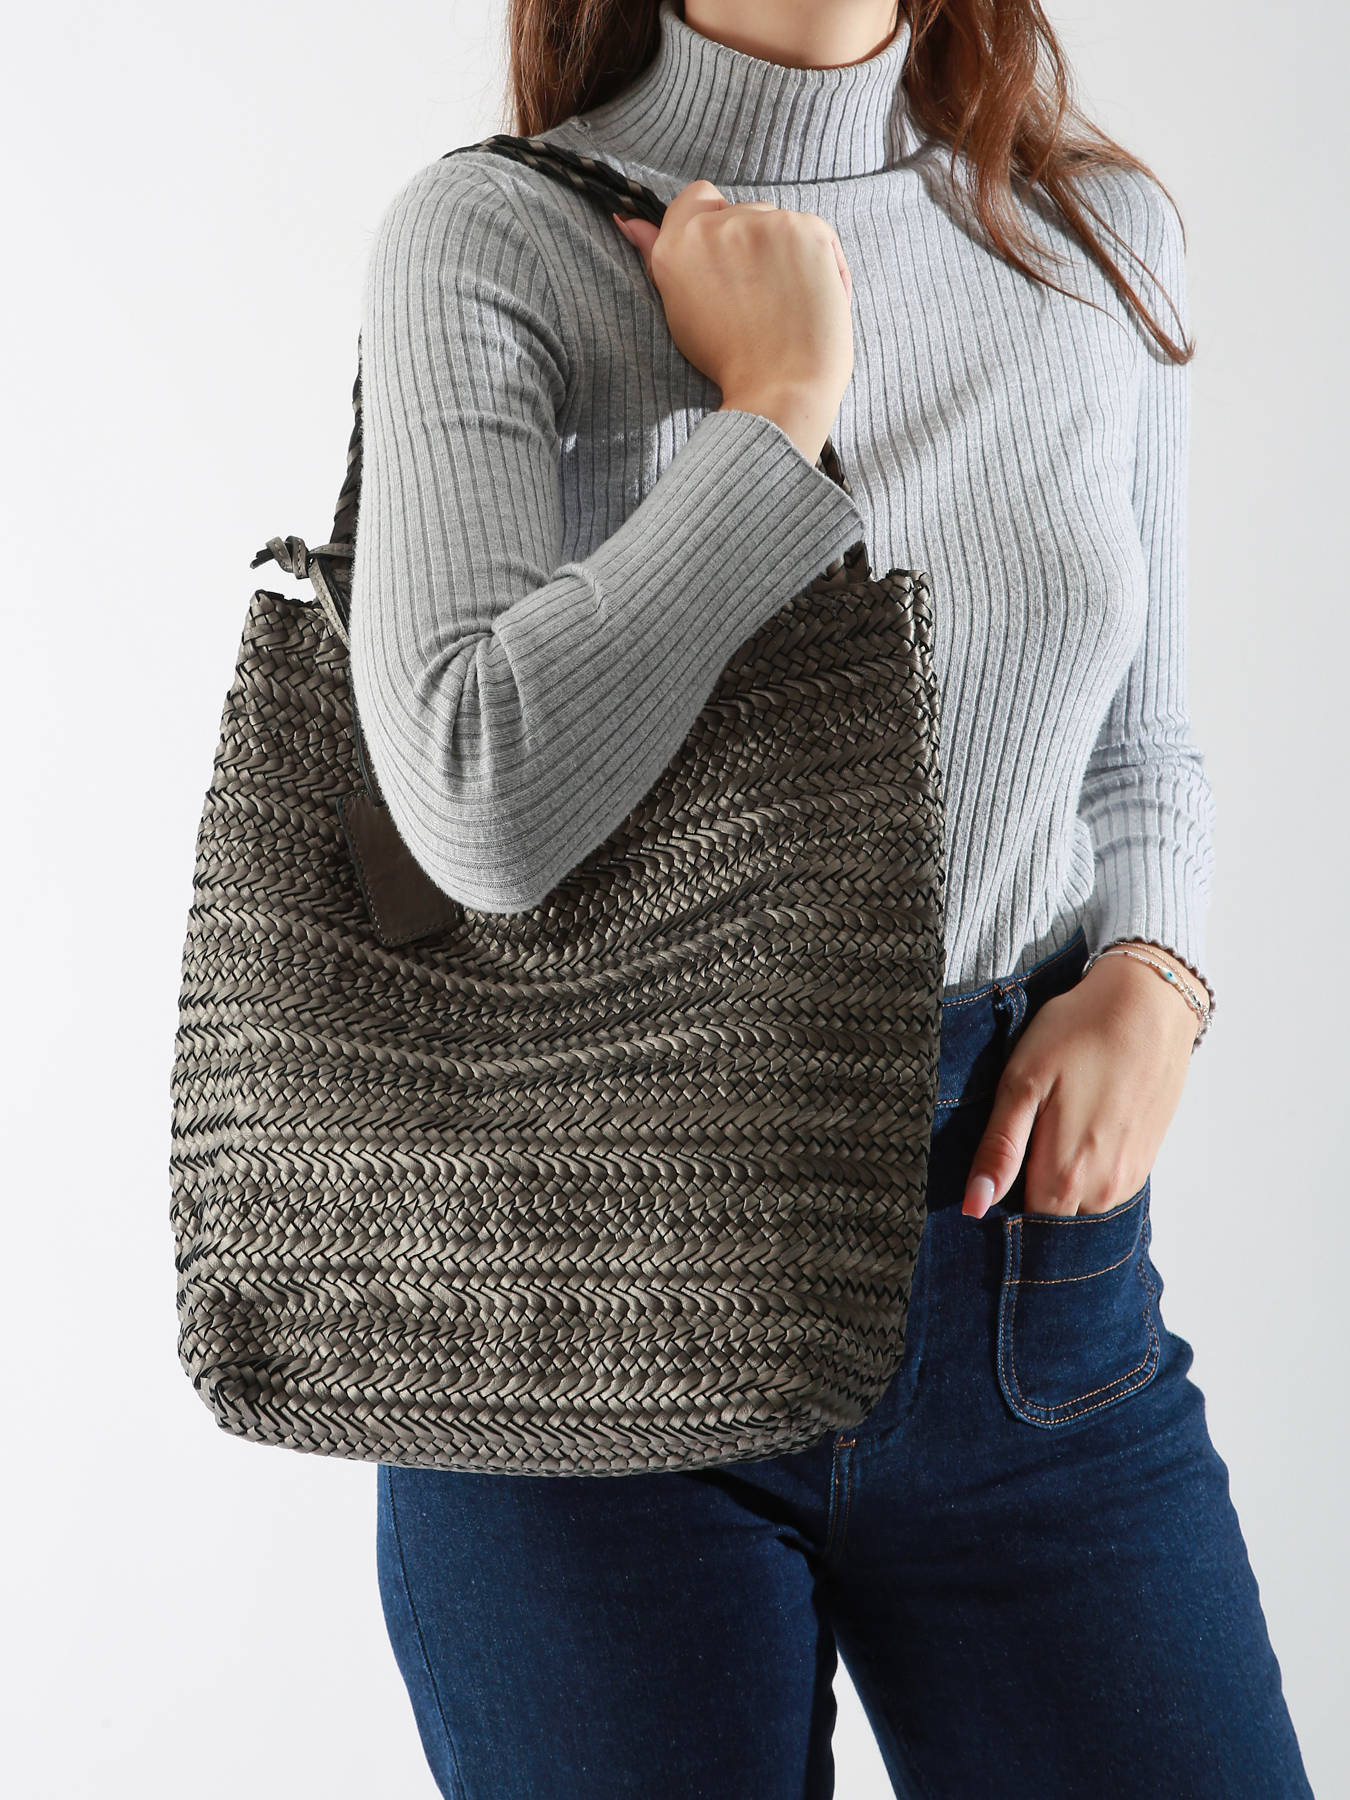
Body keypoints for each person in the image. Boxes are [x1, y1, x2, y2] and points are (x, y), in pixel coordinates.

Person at [352, 2, 1315, 1793]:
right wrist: (775, 414)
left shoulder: (1085, 235)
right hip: (582, 1321)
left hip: (1025, 1284)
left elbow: (1141, 735)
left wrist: (1159, 971)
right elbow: (478, 797)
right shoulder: (500, 236)